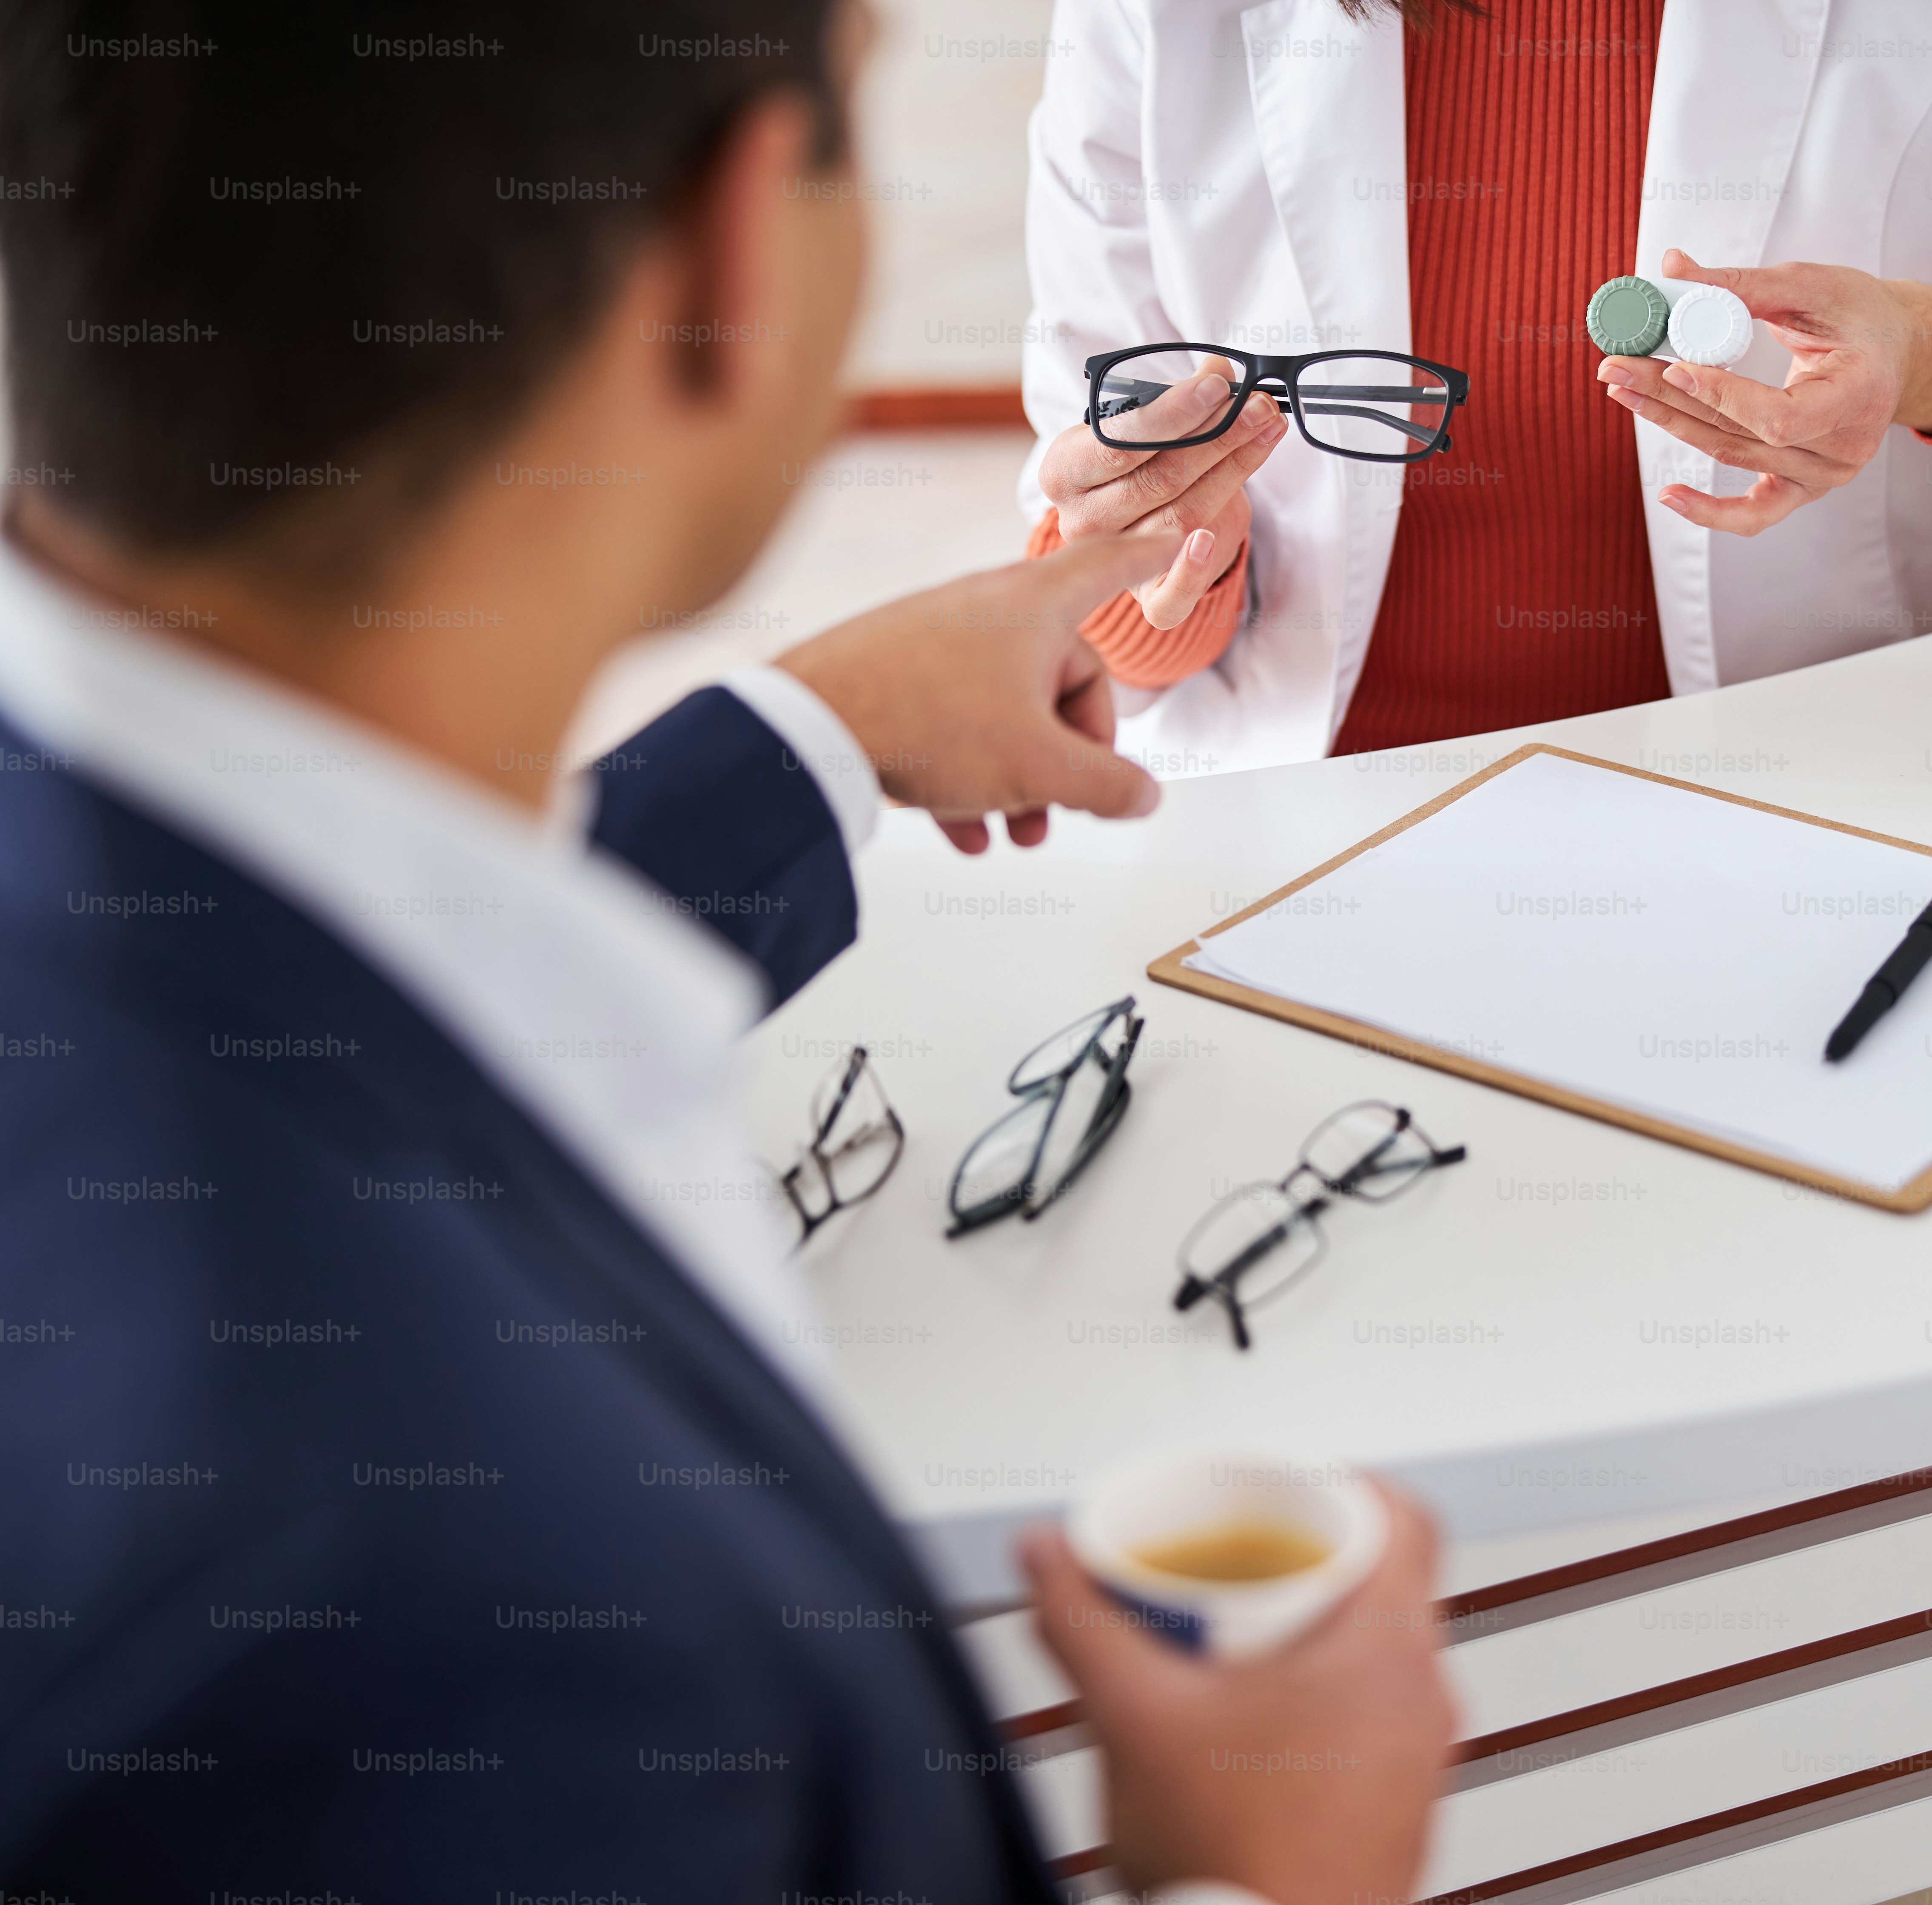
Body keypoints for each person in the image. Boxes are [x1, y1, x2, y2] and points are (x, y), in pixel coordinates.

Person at [0, 2, 1453, 1895]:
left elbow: (348, 975)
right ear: (740, 245)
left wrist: (812, 737)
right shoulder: (494, 1616)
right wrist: (1264, 1877)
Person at [1021, 0, 1932, 772]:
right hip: (1299, 843)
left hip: (1803, 838)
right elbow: (1116, 640)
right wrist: (1149, 567)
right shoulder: (1153, 18)